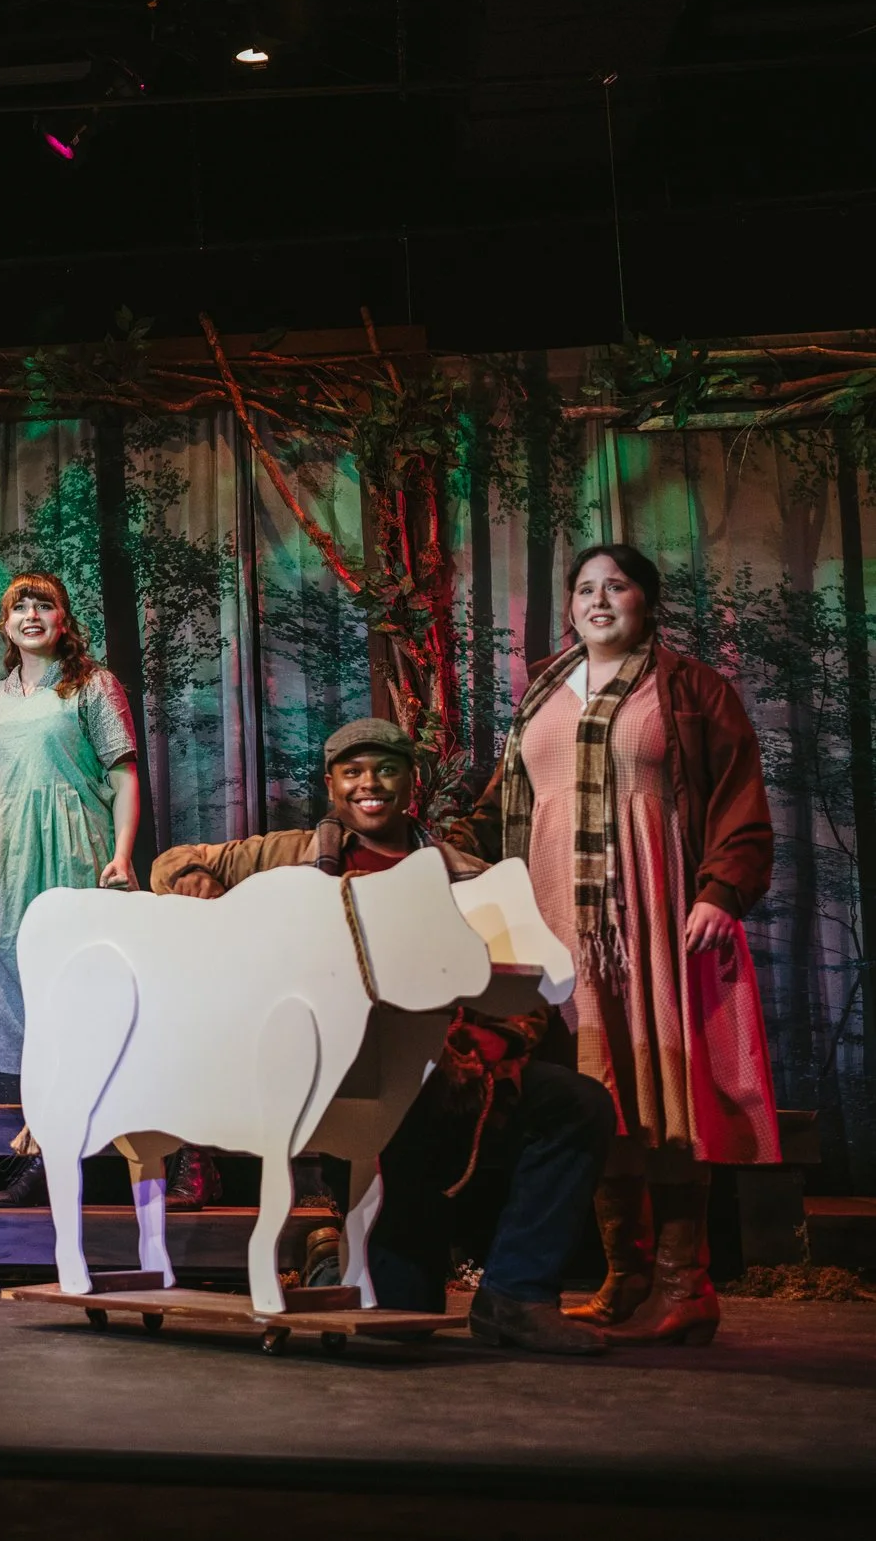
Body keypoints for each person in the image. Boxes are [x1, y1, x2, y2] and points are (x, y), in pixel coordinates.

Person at [153, 716, 617, 1355]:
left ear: (411, 783)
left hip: (452, 1068)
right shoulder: (292, 855)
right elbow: (175, 862)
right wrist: (197, 886)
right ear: (333, 786)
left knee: (578, 1103)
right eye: (353, 772)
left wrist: (481, 1050)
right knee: (406, 1319)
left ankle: (516, 1293)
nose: (370, 784)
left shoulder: (464, 873)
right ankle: (372, 1271)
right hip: (342, 1074)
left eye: (386, 770)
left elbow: (524, 987)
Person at [477, 542, 779, 1347]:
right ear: (569, 605)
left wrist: (721, 888)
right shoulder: (543, 689)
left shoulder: (686, 688)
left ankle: (688, 1284)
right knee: (592, 1091)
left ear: (648, 601)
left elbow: (739, 794)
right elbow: (509, 801)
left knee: (662, 1092)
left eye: (617, 586)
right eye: (584, 588)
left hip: (655, 909)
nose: (598, 599)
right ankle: (627, 1274)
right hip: (554, 920)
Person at [0, 572, 140, 1207]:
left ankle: (50, 1148)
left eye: (44, 605)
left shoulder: (91, 684)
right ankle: (43, 1135)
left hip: (73, 844)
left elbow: (123, 773)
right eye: (18, 607)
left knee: (75, 991)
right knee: (20, 984)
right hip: (8, 854)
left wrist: (120, 854)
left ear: (63, 618)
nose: (31, 615)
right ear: (4, 626)